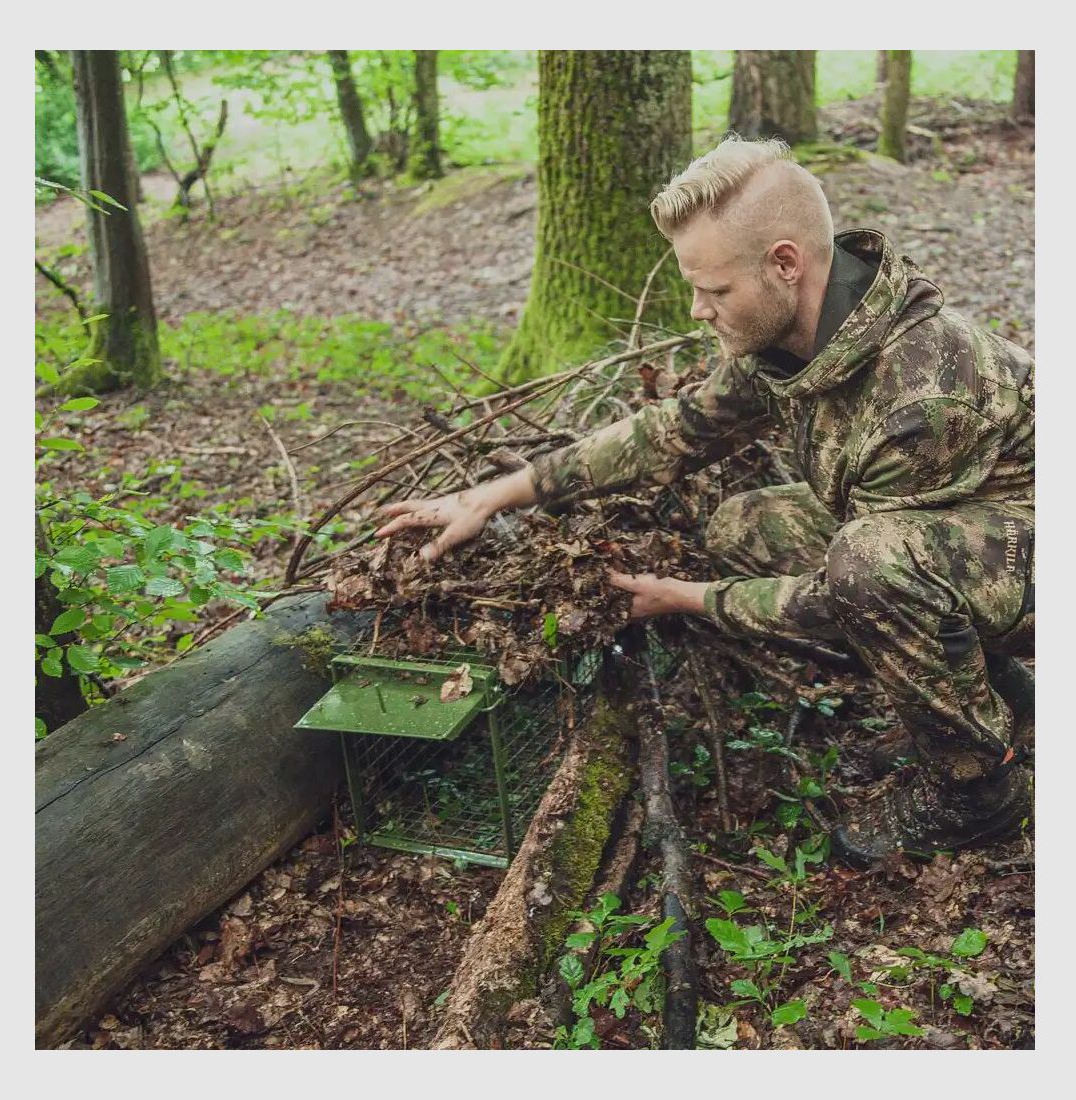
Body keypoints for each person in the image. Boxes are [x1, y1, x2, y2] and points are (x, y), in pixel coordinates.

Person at [374, 135, 1034, 867]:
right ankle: (997, 698)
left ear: (786, 264)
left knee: (868, 565)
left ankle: (978, 789)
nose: (697, 310)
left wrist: (688, 598)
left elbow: (841, 595)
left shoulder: (924, 394)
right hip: (966, 534)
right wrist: (499, 494)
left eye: (714, 291)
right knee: (746, 525)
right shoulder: (797, 330)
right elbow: (672, 433)